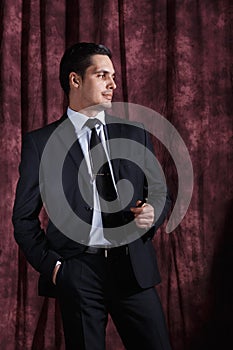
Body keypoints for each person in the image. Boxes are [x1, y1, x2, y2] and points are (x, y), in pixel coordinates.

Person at [12, 42, 172, 350]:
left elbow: (160, 190)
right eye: (102, 75)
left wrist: (153, 212)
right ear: (75, 80)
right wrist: (56, 270)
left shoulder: (134, 132)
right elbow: (23, 218)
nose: (113, 84)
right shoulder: (41, 144)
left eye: (113, 76)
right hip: (78, 272)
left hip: (133, 268)